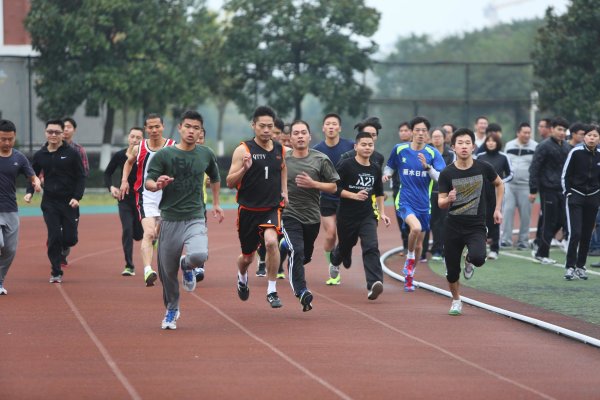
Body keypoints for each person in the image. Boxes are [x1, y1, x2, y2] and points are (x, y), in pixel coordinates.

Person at [145, 110, 224, 330]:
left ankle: (187, 265)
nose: (191, 131)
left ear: (201, 131)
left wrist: (216, 203)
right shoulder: (164, 155)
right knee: (166, 272)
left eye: (196, 128)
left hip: (195, 216)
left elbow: (216, 177)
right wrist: (157, 184)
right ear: (180, 128)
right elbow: (148, 181)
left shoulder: (206, 154)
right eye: (187, 126)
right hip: (170, 219)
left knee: (199, 255)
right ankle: (172, 308)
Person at [226, 106, 287, 308]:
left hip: (271, 208)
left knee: (271, 243)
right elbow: (230, 182)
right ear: (254, 126)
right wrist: (244, 169)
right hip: (248, 211)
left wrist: (284, 191)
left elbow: (283, 169)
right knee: (247, 257)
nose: (267, 130)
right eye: (262, 126)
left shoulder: (279, 149)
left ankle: (271, 290)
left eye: (270, 126)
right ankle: (242, 276)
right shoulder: (243, 150)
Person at [438, 128, 504, 315]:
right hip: (453, 226)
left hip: (476, 225)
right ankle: (456, 300)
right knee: (452, 271)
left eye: (468, 143)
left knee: (478, 258)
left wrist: (497, 209)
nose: (464, 146)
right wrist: (448, 199)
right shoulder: (447, 173)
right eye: (460, 143)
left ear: (473, 146)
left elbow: (500, 184)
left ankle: (468, 259)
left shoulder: (484, 168)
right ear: (453, 147)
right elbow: (440, 202)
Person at [281, 120, 339, 311]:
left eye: (303, 133)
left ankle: (285, 246)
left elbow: (333, 186)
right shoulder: (283, 159)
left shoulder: (320, 159)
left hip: (312, 217)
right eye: (295, 133)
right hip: (289, 214)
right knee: (297, 251)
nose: (299, 136)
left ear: (309, 136)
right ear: (290, 138)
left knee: (303, 256)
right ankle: (302, 291)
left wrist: (314, 184)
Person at [383, 116, 446, 292]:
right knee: (415, 229)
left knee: (420, 245)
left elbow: (441, 178)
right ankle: (409, 257)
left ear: (427, 134)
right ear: (411, 132)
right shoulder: (400, 149)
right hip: (404, 200)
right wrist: (387, 174)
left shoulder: (433, 153)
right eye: (417, 130)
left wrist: (428, 168)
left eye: (423, 131)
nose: (420, 134)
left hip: (424, 204)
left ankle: (410, 274)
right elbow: (390, 166)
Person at [329, 132, 390, 300]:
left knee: (371, 246)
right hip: (346, 216)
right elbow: (335, 188)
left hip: (367, 215)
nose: (367, 147)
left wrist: (382, 212)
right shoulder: (346, 165)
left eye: (370, 144)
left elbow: (378, 192)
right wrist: (353, 195)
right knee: (346, 245)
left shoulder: (375, 168)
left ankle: (374, 283)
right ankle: (335, 258)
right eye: (363, 144)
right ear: (356, 147)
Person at [26, 119, 86, 283]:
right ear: (46, 133)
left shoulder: (72, 153)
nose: (53, 135)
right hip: (50, 202)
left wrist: (76, 197)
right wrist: (30, 192)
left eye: (57, 132)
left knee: (70, 238)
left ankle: (63, 245)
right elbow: (32, 174)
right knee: (53, 236)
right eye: (50, 132)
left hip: (69, 202)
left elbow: (81, 176)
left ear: (62, 134)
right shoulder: (40, 155)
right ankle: (56, 271)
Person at [119, 114, 175, 286]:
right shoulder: (140, 147)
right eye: (150, 127)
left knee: (163, 236)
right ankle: (148, 270)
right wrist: (123, 182)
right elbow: (128, 163)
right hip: (146, 197)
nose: (154, 130)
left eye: (157, 126)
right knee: (149, 233)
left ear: (163, 127)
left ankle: (169, 265)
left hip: (169, 198)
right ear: (145, 129)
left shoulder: (173, 146)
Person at [0, 120, 41, 294]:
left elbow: (32, 176)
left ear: (14, 137)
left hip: (10, 208)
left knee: (10, 249)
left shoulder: (19, 157)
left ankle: (0, 282)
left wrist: (37, 183)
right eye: (3, 139)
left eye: (10, 139)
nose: (7, 143)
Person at [313, 113, 354, 285]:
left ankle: (341, 253)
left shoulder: (350, 146)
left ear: (339, 128)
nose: (331, 127)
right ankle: (333, 268)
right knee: (330, 235)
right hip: (327, 197)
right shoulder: (316, 150)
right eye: (328, 124)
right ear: (323, 128)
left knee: (346, 236)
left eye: (334, 124)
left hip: (347, 198)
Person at [103, 127, 144, 276]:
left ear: (143, 140)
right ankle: (129, 265)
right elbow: (108, 173)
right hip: (124, 199)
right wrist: (111, 187)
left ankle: (152, 235)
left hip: (141, 200)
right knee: (127, 230)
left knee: (138, 235)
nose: (134, 140)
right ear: (128, 138)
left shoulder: (144, 156)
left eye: (138, 137)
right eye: (132, 136)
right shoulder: (120, 155)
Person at [529, 117, 571, 265]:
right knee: (549, 221)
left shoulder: (567, 147)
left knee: (561, 220)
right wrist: (533, 189)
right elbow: (534, 168)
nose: (562, 133)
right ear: (552, 129)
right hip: (547, 189)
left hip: (562, 189)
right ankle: (542, 253)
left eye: (564, 130)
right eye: (559, 129)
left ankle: (539, 245)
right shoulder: (544, 146)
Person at [561, 125, 600, 281]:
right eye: (589, 135)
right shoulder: (575, 152)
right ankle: (570, 266)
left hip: (593, 197)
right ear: (584, 137)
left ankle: (580, 266)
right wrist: (568, 192)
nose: (592, 138)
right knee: (575, 233)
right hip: (575, 196)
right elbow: (566, 175)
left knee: (586, 234)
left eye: (595, 135)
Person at [475, 132, 513, 259]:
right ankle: (480, 247)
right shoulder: (479, 156)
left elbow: (510, 174)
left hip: (497, 193)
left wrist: (501, 182)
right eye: (488, 141)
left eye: (493, 141)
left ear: (497, 143)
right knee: (480, 219)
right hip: (480, 192)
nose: (490, 143)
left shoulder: (503, 157)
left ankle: (494, 249)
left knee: (495, 219)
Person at [501, 122, 537, 250]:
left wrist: (534, 188)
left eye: (529, 133)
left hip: (526, 186)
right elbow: (505, 163)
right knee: (507, 211)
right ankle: (505, 240)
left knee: (526, 214)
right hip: (510, 185)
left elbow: (536, 167)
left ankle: (523, 240)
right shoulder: (509, 145)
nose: (527, 135)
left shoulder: (535, 147)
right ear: (518, 133)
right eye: (524, 132)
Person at [425, 127, 455, 261]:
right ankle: (436, 249)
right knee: (434, 222)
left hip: (446, 194)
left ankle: (446, 250)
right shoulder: (427, 153)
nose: (437, 139)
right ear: (431, 138)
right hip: (430, 192)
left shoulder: (451, 154)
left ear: (444, 138)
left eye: (439, 136)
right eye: (434, 136)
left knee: (446, 221)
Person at [391, 121, 413, 255]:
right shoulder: (397, 149)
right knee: (401, 217)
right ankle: (406, 245)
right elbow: (391, 166)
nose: (403, 133)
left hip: (414, 189)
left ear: (411, 132)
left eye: (406, 130)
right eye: (401, 130)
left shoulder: (417, 148)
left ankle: (416, 246)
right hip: (398, 189)